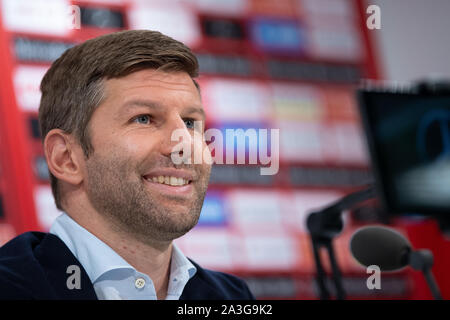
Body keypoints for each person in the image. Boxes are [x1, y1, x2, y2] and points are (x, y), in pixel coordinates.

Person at [0, 30, 254, 300]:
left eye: (190, 123)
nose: (185, 145)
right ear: (66, 158)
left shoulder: (232, 296)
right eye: (143, 118)